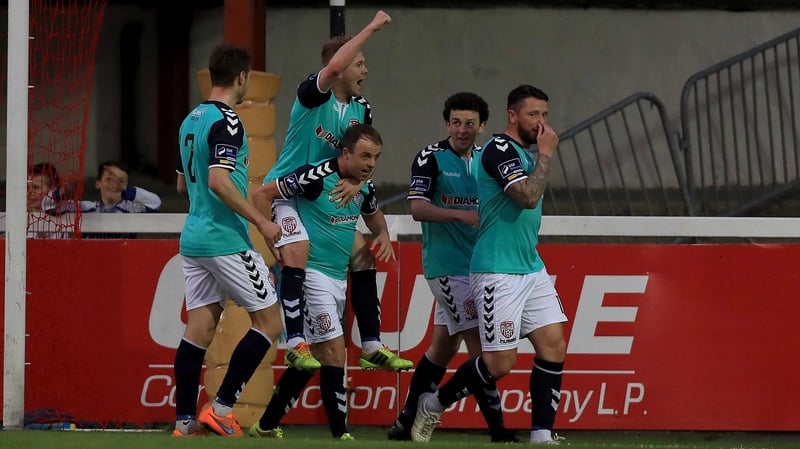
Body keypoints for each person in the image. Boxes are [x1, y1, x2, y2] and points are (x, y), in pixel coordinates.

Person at [411, 85, 568, 445]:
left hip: (530, 265)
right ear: (512, 116)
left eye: (545, 115)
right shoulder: (499, 150)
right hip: (497, 270)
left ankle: (541, 433)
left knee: (554, 345)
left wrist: (539, 156)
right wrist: (546, 155)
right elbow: (528, 197)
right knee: (499, 364)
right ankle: (434, 403)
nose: (541, 123)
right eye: (533, 115)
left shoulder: (526, 155)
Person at [263, 10, 411, 372]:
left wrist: (358, 183)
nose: (365, 70)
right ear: (340, 66)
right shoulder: (312, 96)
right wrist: (372, 27)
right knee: (297, 249)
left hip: (325, 195)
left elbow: (361, 154)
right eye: (358, 63)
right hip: (288, 193)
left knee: (362, 256)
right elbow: (329, 72)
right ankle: (295, 342)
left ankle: (372, 345)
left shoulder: (362, 109)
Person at [388, 93, 517, 443]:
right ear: (447, 123)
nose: (462, 129)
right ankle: (499, 432)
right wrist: (461, 214)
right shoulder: (430, 157)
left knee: (442, 350)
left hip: (480, 267)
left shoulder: (486, 159)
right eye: (456, 122)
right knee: (484, 352)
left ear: (482, 126)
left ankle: (405, 421)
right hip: (447, 268)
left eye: (470, 123)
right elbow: (417, 208)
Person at [171, 42, 284, 438]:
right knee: (270, 321)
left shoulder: (190, 120)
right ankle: (220, 409)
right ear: (242, 77)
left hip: (194, 238)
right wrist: (261, 222)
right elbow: (219, 180)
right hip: (225, 239)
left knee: (199, 327)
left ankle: (184, 421)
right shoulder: (229, 121)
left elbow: (183, 184)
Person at [251, 124, 388, 440]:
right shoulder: (314, 177)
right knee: (335, 353)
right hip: (311, 276)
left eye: (376, 157)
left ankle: (266, 425)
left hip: (338, 279)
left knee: (312, 361)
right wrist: (272, 240)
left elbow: (374, 215)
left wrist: (382, 234)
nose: (370, 163)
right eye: (364, 155)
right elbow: (262, 194)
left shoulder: (363, 187)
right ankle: (341, 434)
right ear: (345, 153)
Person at [27, 162, 68, 239]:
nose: (29, 192)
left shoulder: (68, 210)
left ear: (53, 189)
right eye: (27, 188)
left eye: (36, 187)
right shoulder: (22, 217)